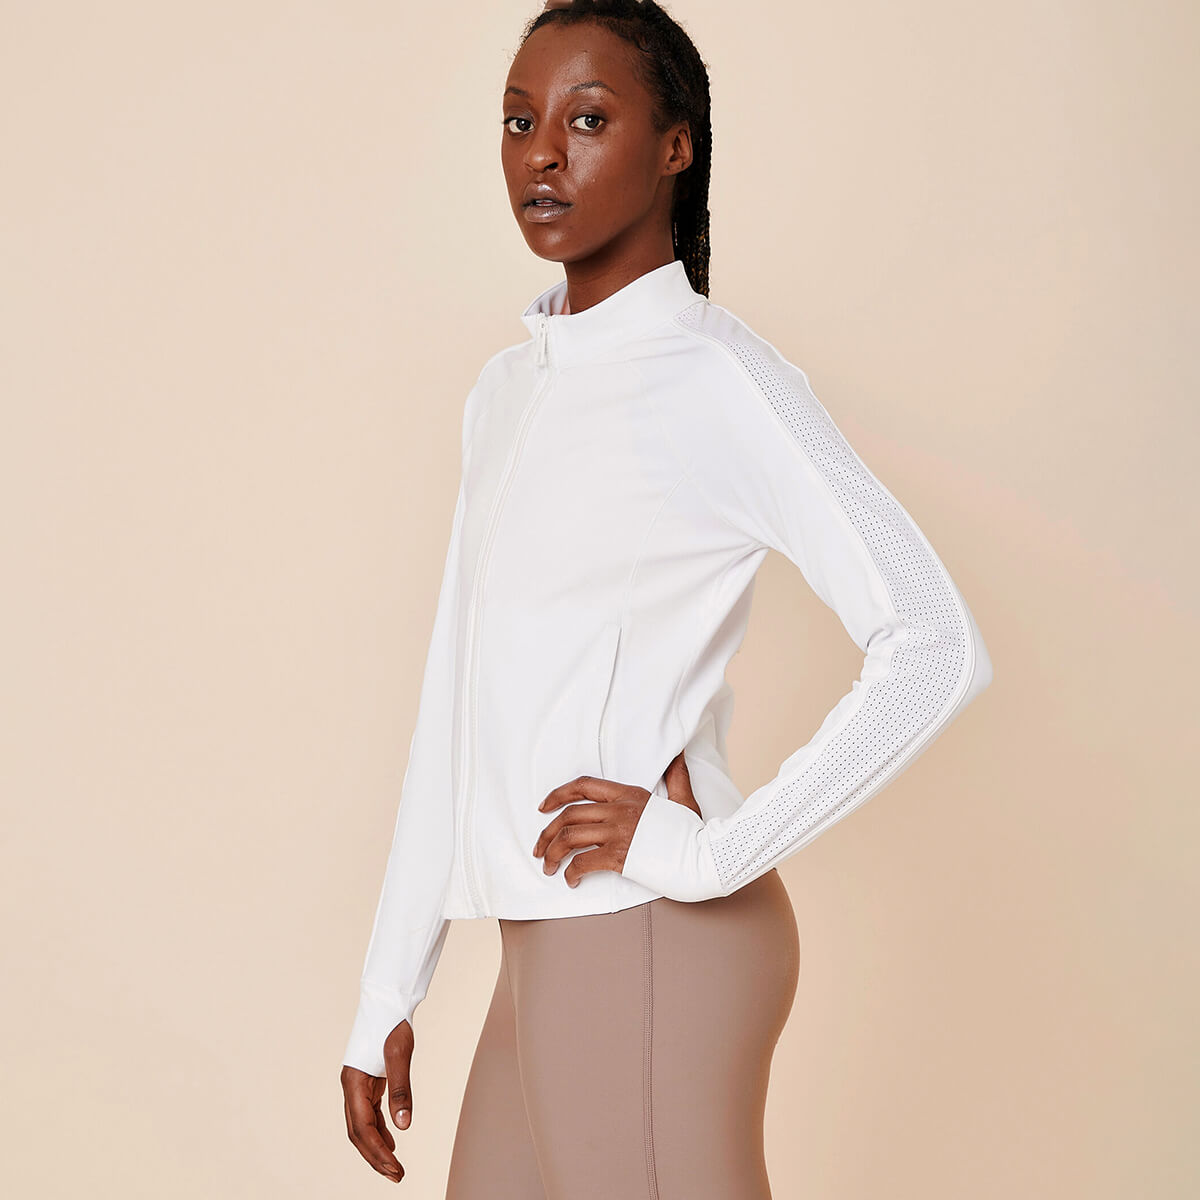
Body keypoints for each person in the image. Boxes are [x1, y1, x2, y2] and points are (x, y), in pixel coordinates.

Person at [339, 1, 994, 1194]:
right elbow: (455, 707)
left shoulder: (717, 376)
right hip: (547, 948)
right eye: (519, 122)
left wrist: (715, 852)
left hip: (645, 934)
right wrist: (389, 987)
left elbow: (935, 642)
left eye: (589, 120)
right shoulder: (505, 393)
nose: (544, 152)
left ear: (675, 146)